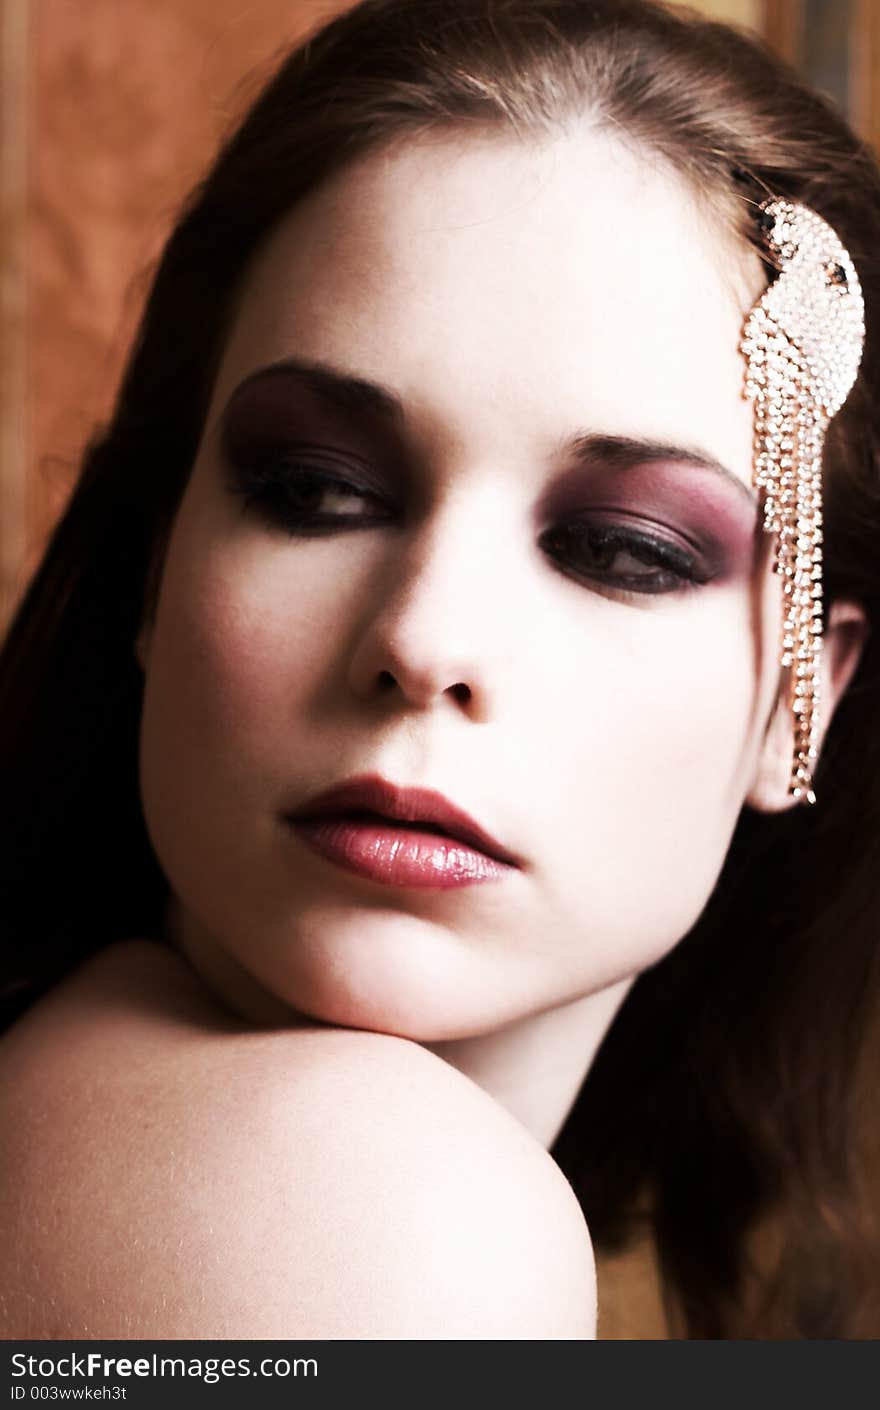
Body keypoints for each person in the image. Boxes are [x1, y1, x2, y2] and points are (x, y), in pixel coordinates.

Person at [1, 0, 878, 1340]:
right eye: (313, 490)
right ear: (154, 564)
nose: (424, 639)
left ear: (799, 702)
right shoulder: (381, 1224)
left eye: (622, 548)